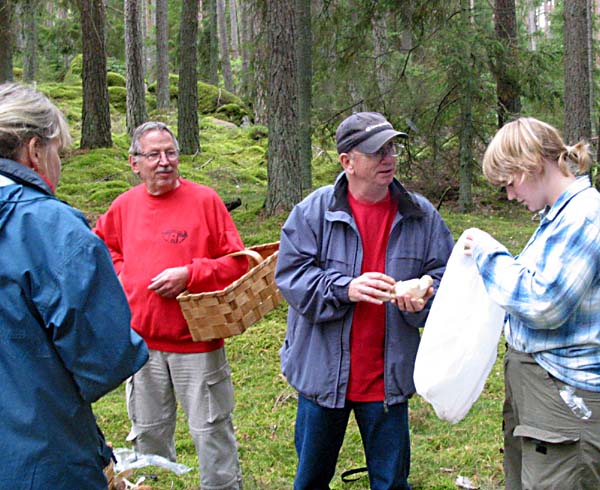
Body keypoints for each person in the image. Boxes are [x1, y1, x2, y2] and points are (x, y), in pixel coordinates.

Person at [275, 112, 454, 490]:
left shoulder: (421, 215)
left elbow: (447, 278)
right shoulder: (313, 212)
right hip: (322, 376)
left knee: (390, 483)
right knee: (310, 481)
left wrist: (426, 295)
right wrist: (345, 288)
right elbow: (291, 277)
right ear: (347, 161)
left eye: (391, 148)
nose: (388, 158)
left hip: (387, 378)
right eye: (376, 151)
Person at [0, 82, 149, 488]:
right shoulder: (51, 228)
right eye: (58, 152)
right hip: (40, 457)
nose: (59, 164)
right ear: (34, 151)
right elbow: (106, 359)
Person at [94, 121, 246, 490]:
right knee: (148, 437)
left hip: (197, 344)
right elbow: (102, 247)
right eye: (153, 154)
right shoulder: (124, 206)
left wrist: (190, 274)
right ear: (134, 163)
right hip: (143, 347)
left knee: (212, 435)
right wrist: (123, 274)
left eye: (171, 152)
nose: (164, 162)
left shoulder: (205, 201)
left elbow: (239, 262)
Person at [463, 117, 600, 489]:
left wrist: (490, 255)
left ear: (531, 165)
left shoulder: (585, 217)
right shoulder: (556, 219)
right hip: (542, 393)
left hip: (567, 401)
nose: (510, 195)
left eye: (509, 183)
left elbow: (544, 303)